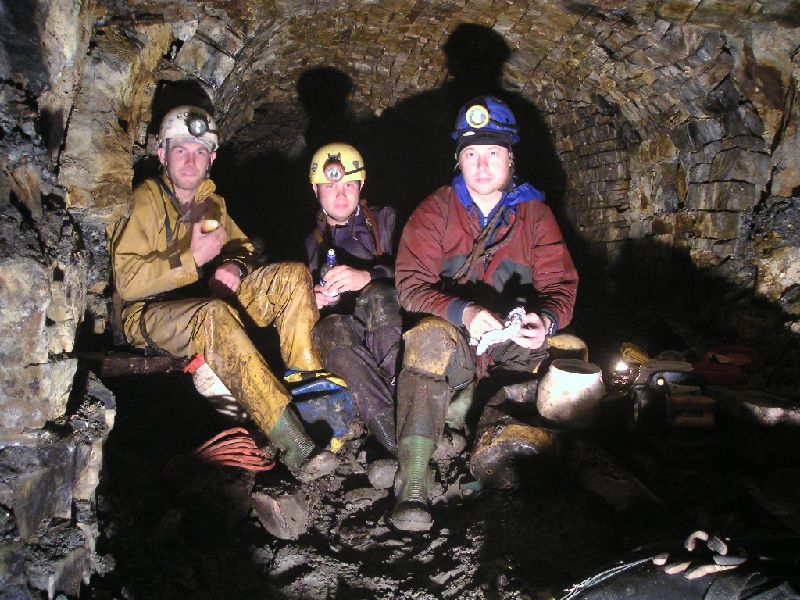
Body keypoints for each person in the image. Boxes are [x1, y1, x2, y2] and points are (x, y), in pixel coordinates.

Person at [109, 105, 338, 482]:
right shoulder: (144, 202)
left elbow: (242, 247)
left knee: (293, 276)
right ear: (162, 153)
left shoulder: (210, 202)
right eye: (180, 150)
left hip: (205, 301)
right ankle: (292, 441)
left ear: (211, 159)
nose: (190, 160)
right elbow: (127, 281)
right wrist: (189, 260)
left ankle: (311, 394)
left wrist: (234, 266)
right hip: (150, 315)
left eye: (200, 152)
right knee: (213, 315)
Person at [391, 96, 579, 531]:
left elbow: (561, 287)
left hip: (511, 347)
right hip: (457, 342)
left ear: (511, 158)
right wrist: (463, 310)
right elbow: (410, 287)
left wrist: (545, 321)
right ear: (458, 159)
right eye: (471, 153)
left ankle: (476, 428)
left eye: (493, 152)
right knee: (427, 341)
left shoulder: (535, 215)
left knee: (566, 361)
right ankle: (413, 481)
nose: (481, 164)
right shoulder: (434, 210)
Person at [305, 143, 402, 455]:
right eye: (331, 186)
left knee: (380, 297)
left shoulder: (388, 221)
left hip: (387, 326)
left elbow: (421, 275)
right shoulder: (309, 242)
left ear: (362, 185)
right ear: (316, 189)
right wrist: (312, 300)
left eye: (349, 184)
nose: (341, 194)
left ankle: (406, 413)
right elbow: (290, 298)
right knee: (330, 330)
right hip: (346, 338)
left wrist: (369, 277)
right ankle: (394, 438)